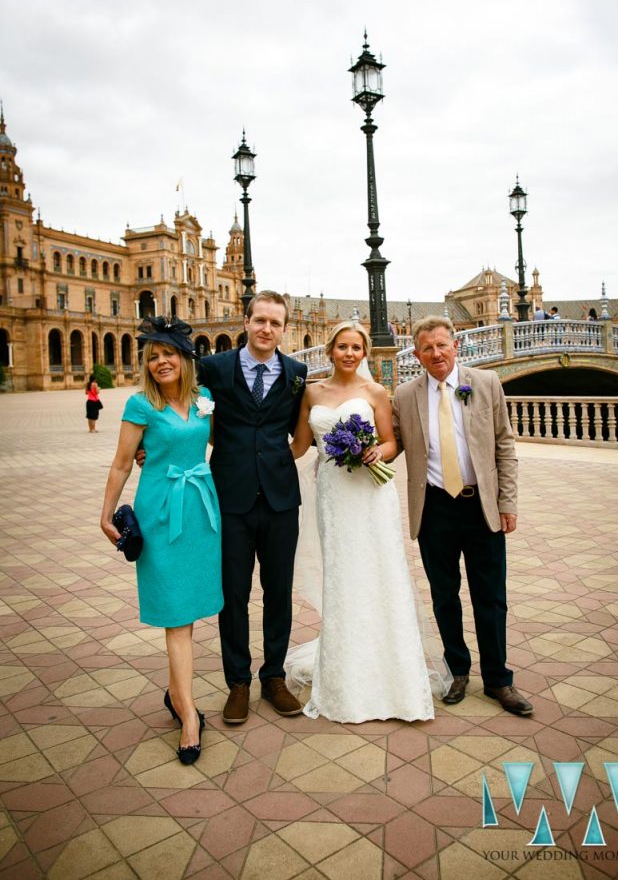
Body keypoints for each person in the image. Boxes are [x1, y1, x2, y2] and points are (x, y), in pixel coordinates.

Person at [288, 321, 434, 723]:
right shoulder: (312, 392)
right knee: (342, 577)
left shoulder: (374, 393)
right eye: (342, 347)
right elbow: (300, 445)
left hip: (370, 495)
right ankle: (344, 675)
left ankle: (394, 675)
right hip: (333, 498)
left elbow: (391, 442)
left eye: (356, 348)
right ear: (329, 350)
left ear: (364, 353)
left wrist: (375, 453)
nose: (349, 354)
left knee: (379, 573)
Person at [392, 316, 533, 716]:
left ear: (456, 346)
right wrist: (356, 451)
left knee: (490, 597)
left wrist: (508, 502)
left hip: (480, 506)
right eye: (427, 348)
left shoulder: (486, 383)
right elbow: (394, 444)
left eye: (442, 345)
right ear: (416, 355)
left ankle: (498, 680)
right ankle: (458, 671)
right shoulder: (405, 395)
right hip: (434, 507)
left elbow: (505, 446)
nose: (436, 353)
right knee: (444, 596)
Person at [100, 317, 223, 764]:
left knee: (190, 611)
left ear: (185, 358)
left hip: (201, 513)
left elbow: (211, 446)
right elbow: (120, 464)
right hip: (160, 509)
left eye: (168, 354)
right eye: (152, 357)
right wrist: (105, 512)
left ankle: (176, 695)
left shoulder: (204, 399)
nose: (160, 363)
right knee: (176, 614)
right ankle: (188, 713)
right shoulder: (140, 406)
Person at [199, 291, 308, 725]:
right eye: (259, 320)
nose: (267, 329)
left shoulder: (297, 373)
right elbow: (192, 419)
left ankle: (274, 676)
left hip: (281, 499)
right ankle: (238, 683)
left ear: (284, 328)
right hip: (230, 498)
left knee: (279, 592)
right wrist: (153, 447)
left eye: (275, 323)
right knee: (234, 595)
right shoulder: (213, 368)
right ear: (245, 322)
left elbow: (301, 432)